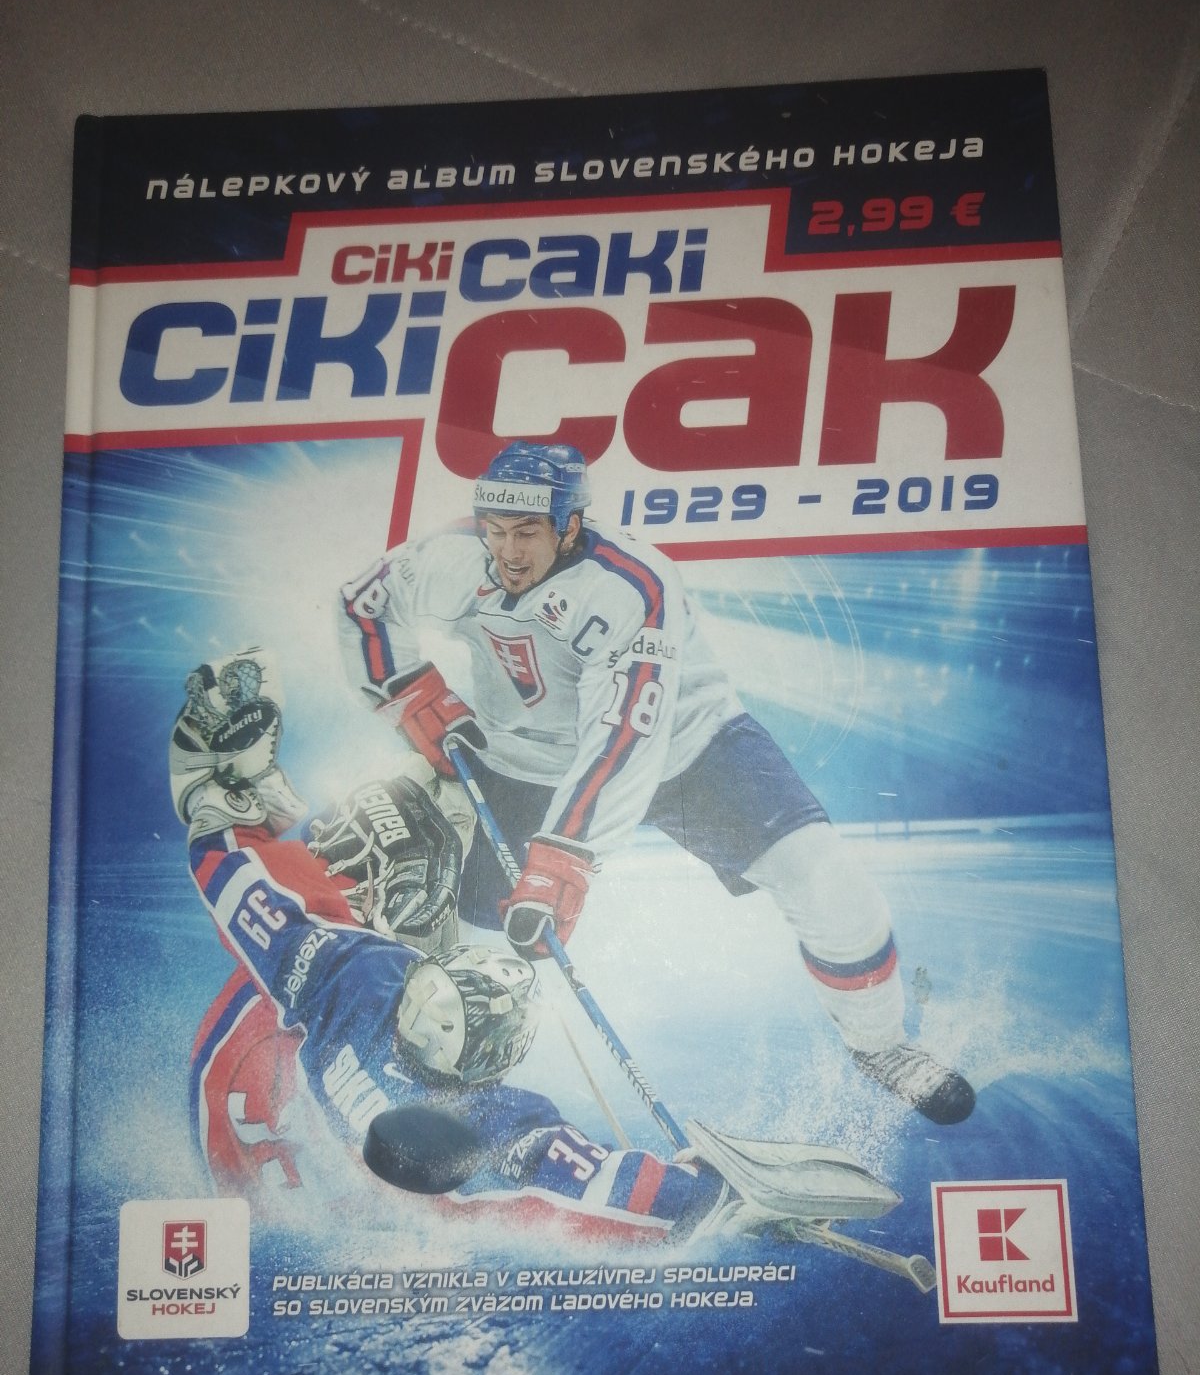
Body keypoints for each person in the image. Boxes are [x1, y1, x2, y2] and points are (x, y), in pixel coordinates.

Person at [338, 442, 974, 1125]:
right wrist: (408, 691)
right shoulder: (452, 557)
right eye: (495, 531)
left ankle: (881, 1046)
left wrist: (563, 861)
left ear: (570, 525)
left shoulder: (630, 586)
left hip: (685, 747)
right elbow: (363, 605)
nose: (508, 553)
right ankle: (429, 1082)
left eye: (527, 532)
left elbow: (622, 735)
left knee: (827, 882)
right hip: (526, 761)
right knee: (463, 935)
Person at [172, 653, 898, 1242]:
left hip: (242, 1139)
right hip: (319, 1208)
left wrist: (218, 776)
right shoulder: (416, 1063)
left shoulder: (330, 965)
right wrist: (706, 1199)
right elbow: (565, 1170)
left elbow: (229, 863)